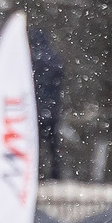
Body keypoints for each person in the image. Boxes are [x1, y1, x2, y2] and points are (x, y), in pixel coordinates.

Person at [30, 22, 67, 180]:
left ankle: (35, 175)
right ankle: (55, 174)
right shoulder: (54, 58)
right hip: (52, 109)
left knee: (34, 144)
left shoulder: (31, 60)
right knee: (53, 144)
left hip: (35, 109)